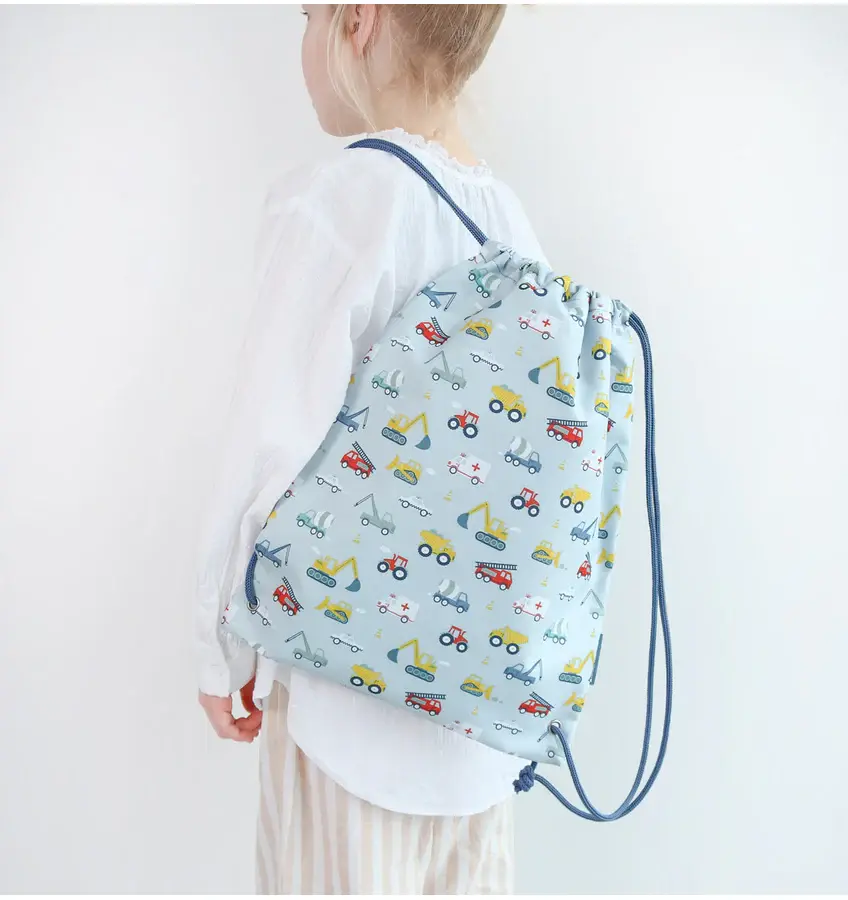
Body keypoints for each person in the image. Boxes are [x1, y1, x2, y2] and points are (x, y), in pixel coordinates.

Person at [195, 4, 549, 894]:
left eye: (309, 12)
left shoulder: (343, 200)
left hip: (347, 718)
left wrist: (219, 645)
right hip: (479, 736)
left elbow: (265, 444)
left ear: (359, 19)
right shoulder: (511, 223)